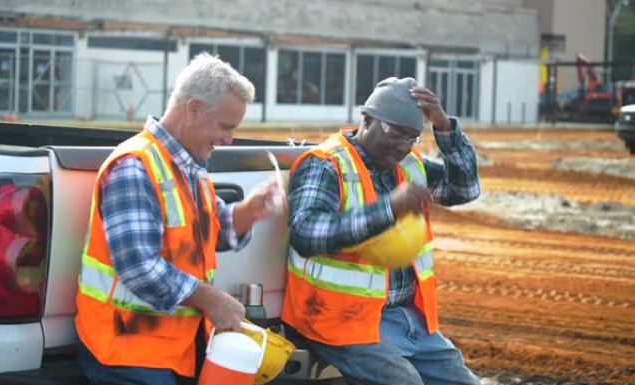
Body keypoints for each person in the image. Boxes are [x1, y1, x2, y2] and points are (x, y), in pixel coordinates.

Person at [74, 53, 284, 385]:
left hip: (174, 350)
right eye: (225, 127)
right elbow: (138, 267)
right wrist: (213, 299)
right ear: (194, 108)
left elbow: (211, 233)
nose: (229, 139)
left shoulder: (191, 169)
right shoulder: (135, 165)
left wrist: (250, 211)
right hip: (127, 352)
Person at [281, 77, 481, 385]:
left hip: (406, 318)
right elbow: (306, 232)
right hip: (341, 320)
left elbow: (464, 188)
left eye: (411, 138)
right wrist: (389, 208)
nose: (403, 147)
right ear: (367, 118)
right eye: (396, 134)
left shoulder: (409, 164)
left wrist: (443, 126)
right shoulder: (326, 164)